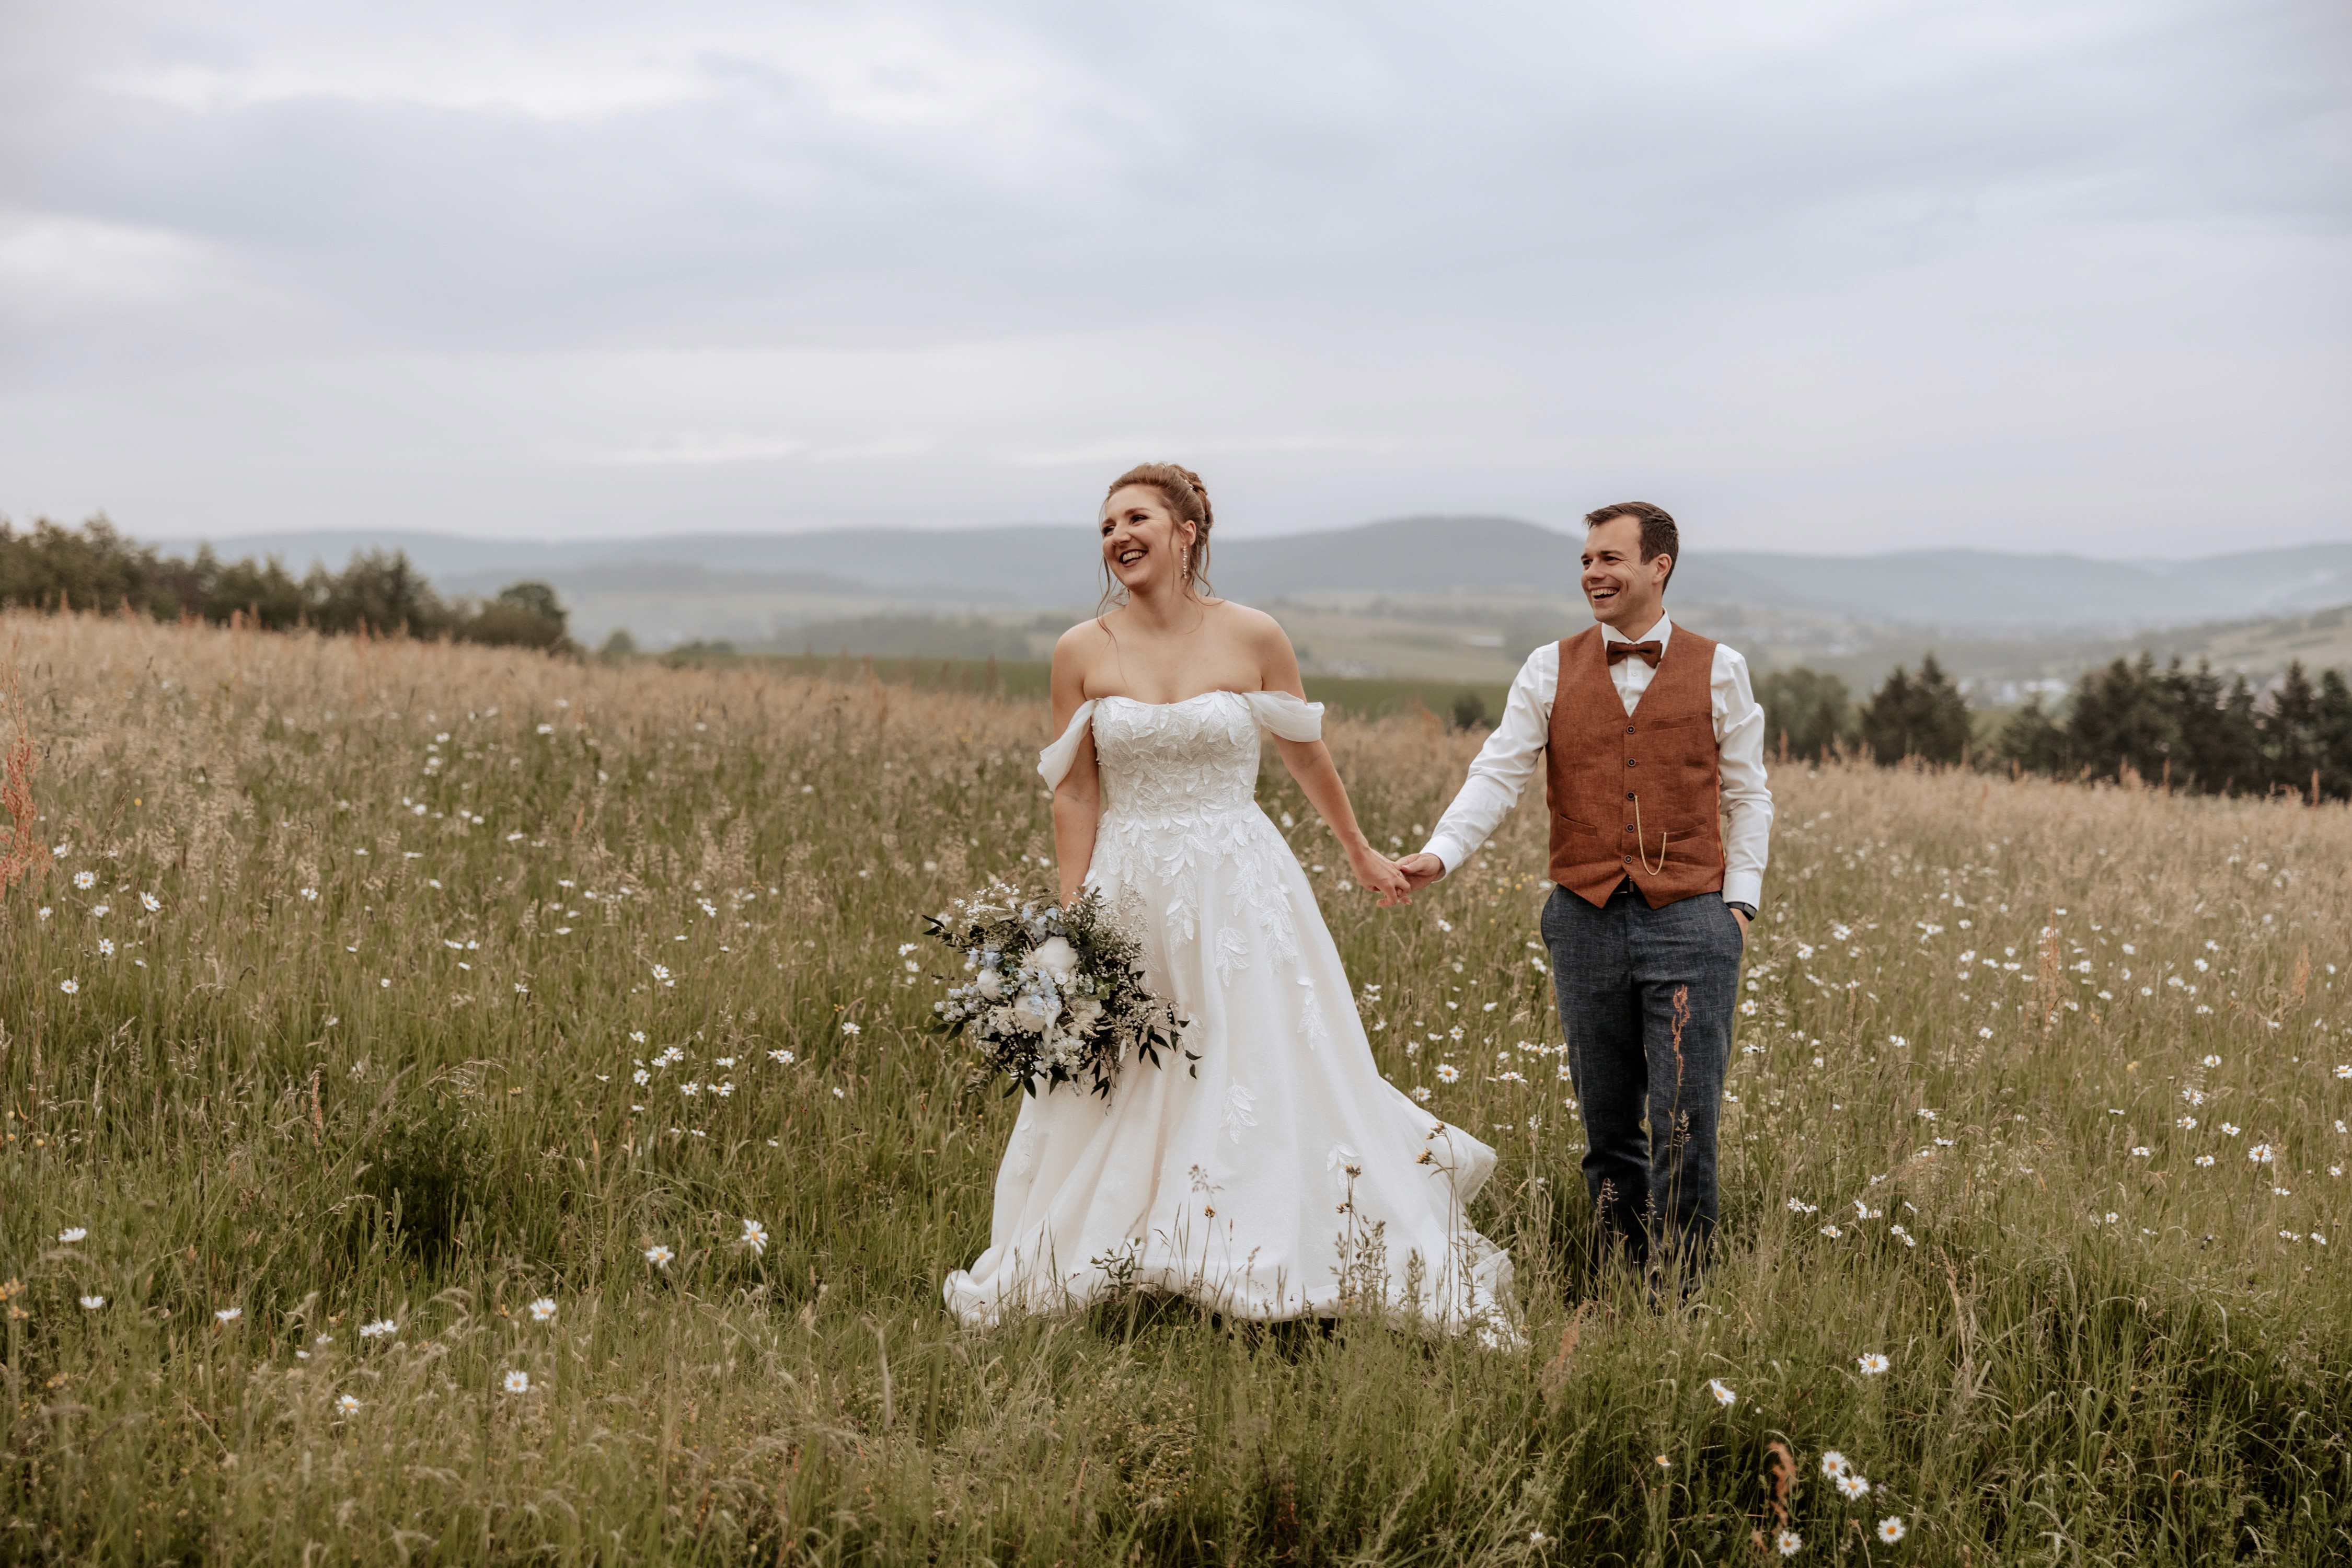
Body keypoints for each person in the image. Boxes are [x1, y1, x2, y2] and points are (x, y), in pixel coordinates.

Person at [944, 463, 1518, 1341]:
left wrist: (1358, 849)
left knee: (1254, 1059)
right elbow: (1074, 794)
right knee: (1131, 1070)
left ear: (1186, 532)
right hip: (1127, 884)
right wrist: (1072, 923)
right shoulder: (1080, 651)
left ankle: (1253, 1252)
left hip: (1240, 881)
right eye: (1105, 527)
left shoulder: (1254, 636)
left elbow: (1306, 757)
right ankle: (1118, 1252)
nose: (1117, 538)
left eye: (1136, 518)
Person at [1397, 501, 1772, 1283]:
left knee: (1687, 1124)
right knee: (1608, 1125)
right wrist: (1440, 855)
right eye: (1586, 561)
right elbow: (1497, 772)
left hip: (1693, 920)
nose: (1593, 574)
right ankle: (1614, 1281)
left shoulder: (1721, 667)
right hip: (1584, 917)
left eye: (1610, 559)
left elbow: (1749, 795)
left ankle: (1683, 1295)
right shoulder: (1548, 666)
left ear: (1659, 565)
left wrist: (1739, 905)